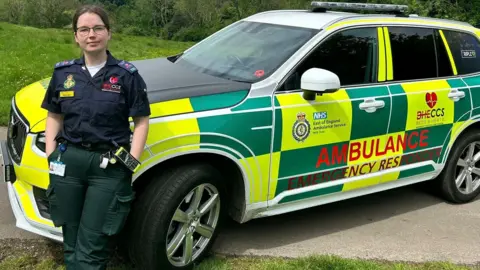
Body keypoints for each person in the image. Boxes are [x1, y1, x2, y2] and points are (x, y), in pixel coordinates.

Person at [41, 4, 150, 270]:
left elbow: (141, 121)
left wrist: (131, 163)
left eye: (98, 28)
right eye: (84, 29)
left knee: (93, 243)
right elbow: (54, 115)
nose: (92, 34)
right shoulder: (63, 73)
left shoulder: (126, 75)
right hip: (69, 163)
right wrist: (51, 153)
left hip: (109, 166)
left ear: (108, 33)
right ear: (76, 36)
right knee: (71, 237)